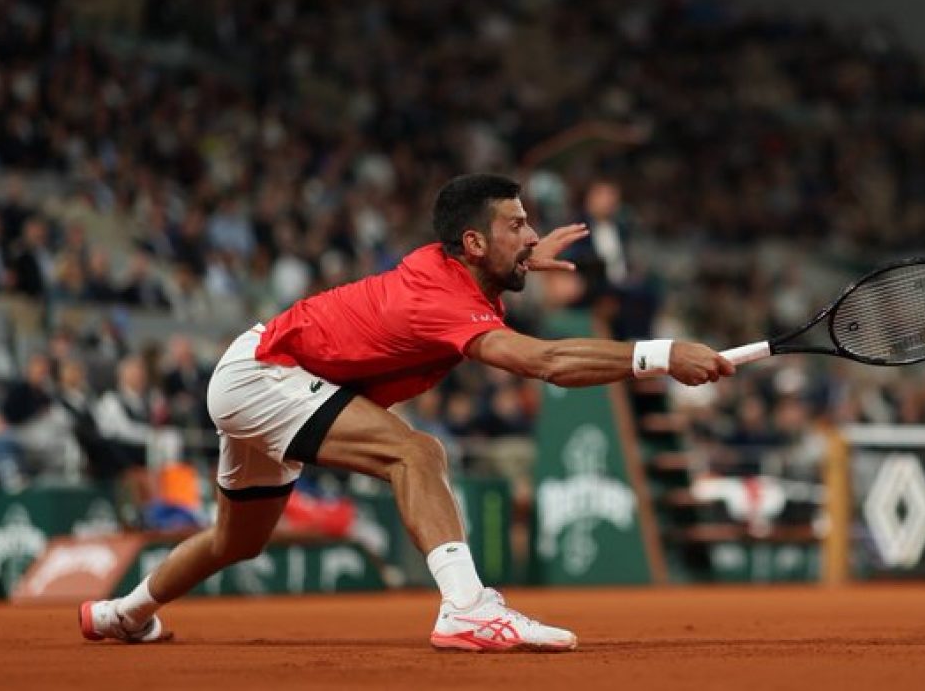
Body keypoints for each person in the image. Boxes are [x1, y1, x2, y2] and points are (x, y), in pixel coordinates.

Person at [79, 174, 734, 651]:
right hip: (266, 375)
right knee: (416, 452)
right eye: (518, 224)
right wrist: (662, 353)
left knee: (237, 541)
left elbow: (494, 275)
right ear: (473, 242)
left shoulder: (455, 265)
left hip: (263, 366)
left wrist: (526, 255)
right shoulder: (440, 300)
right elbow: (547, 362)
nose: (530, 232)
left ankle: (122, 613)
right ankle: (466, 607)